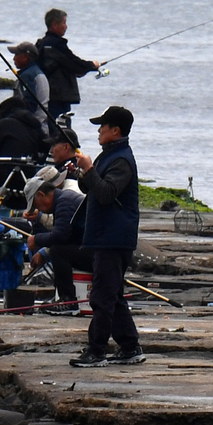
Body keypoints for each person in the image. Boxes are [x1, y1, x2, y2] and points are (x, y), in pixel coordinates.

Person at [71, 106, 144, 368]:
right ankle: (129, 346)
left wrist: (90, 169)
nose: (99, 130)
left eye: (103, 126)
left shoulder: (122, 160)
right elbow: (90, 187)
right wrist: (81, 172)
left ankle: (97, 351)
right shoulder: (109, 156)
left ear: (116, 130)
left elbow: (105, 193)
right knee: (113, 295)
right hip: (104, 236)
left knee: (101, 296)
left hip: (114, 239)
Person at [23, 168, 90, 316]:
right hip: (95, 248)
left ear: (41, 195)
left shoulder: (64, 202)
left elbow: (61, 236)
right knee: (59, 249)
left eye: (36, 205)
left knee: (58, 251)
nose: (38, 209)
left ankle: (68, 301)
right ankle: (63, 298)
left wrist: (37, 239)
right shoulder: (63, 199)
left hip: (101, 252)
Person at [38, 8, 99, 121]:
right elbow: (73, 62)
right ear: (54, 25)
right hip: (58, 96)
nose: (66, 26)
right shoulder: (57, 45)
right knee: (59, 126)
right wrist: (92, 65)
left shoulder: (41, 44)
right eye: (64, 23)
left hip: (45, 94)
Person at [9, 41, 50, 130]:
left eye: (16, 55)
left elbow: (30, 103)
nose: (13, 58)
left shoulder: (28, 75)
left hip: (33, 126)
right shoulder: (37, 72)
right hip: (42, 124)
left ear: (26, 56)